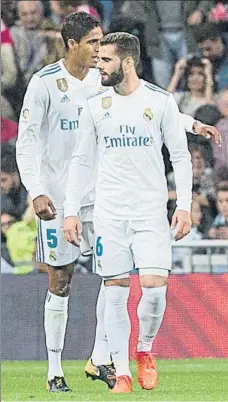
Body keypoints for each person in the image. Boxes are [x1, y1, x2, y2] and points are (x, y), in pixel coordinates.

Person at [62, 32, 220, 394]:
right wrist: (71, 211)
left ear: (127, 62)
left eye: (105, 60)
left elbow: (180, 156)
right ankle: (121, 373)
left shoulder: (160, 102)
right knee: (115, 291)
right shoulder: (95, 105)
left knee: (153, 289)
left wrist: (182, 205)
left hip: (149, 212)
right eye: (98, 59)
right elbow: (82, 160)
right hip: (109, 213)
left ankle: (145, 350)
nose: (97, 66)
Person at [15, 12, 105, 393]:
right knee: (61, 280)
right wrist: (35, 190)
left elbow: (150, 104)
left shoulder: (106, 79)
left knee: (114, 278)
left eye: (102, 43)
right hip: (57, 196)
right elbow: (27, 140)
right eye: (94, 43)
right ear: (73, 44)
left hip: (101, 197)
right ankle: (54, 370)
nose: (100, 50)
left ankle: (101, 359)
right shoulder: (44, 84)